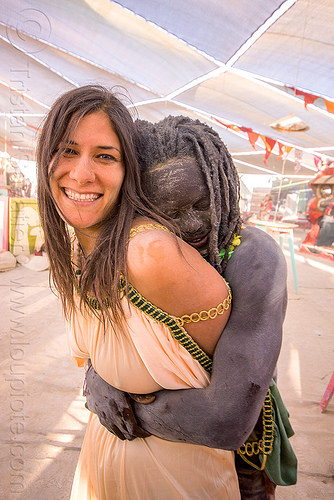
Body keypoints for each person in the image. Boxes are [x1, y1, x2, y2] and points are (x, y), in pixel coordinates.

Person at [36, 86, 242, 499]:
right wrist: (98, 378)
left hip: (174, 480)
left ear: (128, 169)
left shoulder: (148, 254)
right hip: (103, 463)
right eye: (68, 150)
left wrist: (112, 395)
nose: (81, 174)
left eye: (105, 156)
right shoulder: (81, 246)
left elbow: (234, 406)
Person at [85, 116, 297, 499]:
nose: (193, 223)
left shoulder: (255, 259)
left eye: (203, 202)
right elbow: (114, 335)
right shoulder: (144, 250)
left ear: (224, 184)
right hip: (166, 449)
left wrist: (124, 405)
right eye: (168, 213)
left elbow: (227, 421)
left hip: (242, 453)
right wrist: (96, 377)